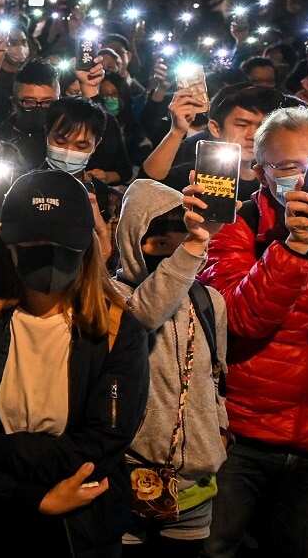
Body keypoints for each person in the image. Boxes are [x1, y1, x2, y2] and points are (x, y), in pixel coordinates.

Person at [0, 168, 150, 557]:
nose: (47, 257)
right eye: (33, 243)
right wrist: (35, 499)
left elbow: (101, 445)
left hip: (81, 530)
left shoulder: (118, 328)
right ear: (9, 244)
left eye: (61, 245)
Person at [200, 106, 308, 558]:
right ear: (259, 171)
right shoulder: (235, 230)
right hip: (242, 439)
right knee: (214, 548)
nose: (302, 179)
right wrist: (292, 248)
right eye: (287, 166)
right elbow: (237, 320)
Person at [113, 180, 227, 556]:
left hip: (193, 485)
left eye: (177, 245)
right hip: (125, 479)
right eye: (158, 246)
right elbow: (144, 314)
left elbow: (215, 376)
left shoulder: (210, 301)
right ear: (131, 241)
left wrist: (220, 429)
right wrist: (194, 246)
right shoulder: (111, 295)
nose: (172, 255)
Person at [143, 85, 279, 203]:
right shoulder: (192, 175)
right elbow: (143, 190)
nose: (253, 135)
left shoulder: (274, 181)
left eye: (262, 127)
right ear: (215, 128)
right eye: (242, 125)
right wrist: (177, 131)